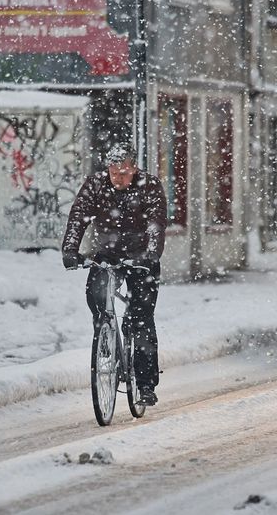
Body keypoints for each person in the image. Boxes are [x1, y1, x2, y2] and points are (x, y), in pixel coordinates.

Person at [61, 143, 167, 406]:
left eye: (125, 172)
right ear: (107, 168)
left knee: (141, 317)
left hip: (142, 257)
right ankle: (106, 335)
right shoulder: (95, 185)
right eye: (114, 172)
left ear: (134, 168)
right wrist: (70, 249)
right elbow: (78, 217)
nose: (119, 178)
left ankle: (144, 384)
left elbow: (156, 222)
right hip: (107, 254)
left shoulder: (149, 186)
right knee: (96, 296)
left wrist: (152, 252)